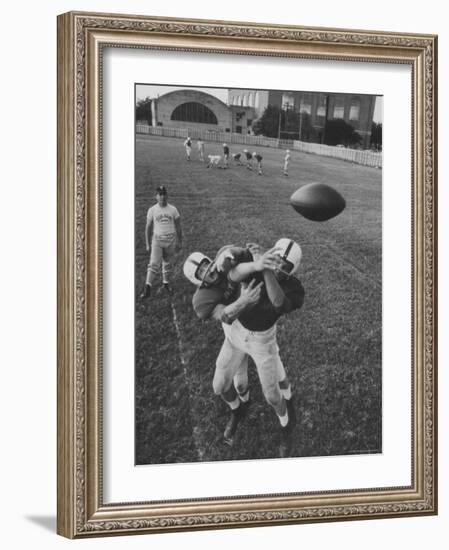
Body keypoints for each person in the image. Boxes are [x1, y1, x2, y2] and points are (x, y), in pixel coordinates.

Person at [213, 239, 305, 457]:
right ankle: (237, 411)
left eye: (285, 266)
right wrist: (231, 252)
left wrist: (265, 269)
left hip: (262, 340)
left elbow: (278, 303)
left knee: (273, 396)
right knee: (219, 385)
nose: (278, 266)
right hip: (236, 333)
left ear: (293, 270)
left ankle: (285, 426)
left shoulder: (294, 287)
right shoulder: (257, 262)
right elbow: (232, 269)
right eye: (276, 260)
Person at [183, 245, 282, 444]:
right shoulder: (202, 300)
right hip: (234, 336)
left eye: (206, 265)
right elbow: (225, 316)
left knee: (271, 391)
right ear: (197, 281)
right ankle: (238, 410)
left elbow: (237, 255)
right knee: (223, 385)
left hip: (257, 334)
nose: (208, 271)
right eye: (201, 272)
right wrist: (242, 301)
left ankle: (284, 418)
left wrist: (233, 253)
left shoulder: (222, 263)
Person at [140, 186, 182, 299]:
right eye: (160, 194)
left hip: (170, 241)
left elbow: (178, 227)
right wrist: (148, 244)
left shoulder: (173, 209)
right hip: (157, 241)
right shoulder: (152, 210)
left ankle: (166, 283)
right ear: (156, 196)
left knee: (167, 263)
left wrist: (179, 242)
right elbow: (148, 228)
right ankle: (147, 288)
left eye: (164, 194)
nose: (162, 197)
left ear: (167, 196)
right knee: (154, 263)